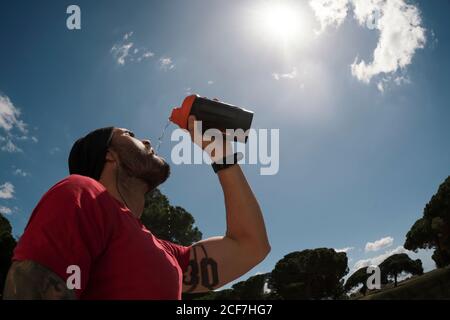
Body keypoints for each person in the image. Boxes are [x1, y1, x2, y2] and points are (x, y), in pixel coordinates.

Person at [3, 114, 270, 299]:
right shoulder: (82, 193)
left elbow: (250, 247)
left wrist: (222, 156)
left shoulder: (168, 254)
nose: (147, 142)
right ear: (109, 154)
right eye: (129, 135)